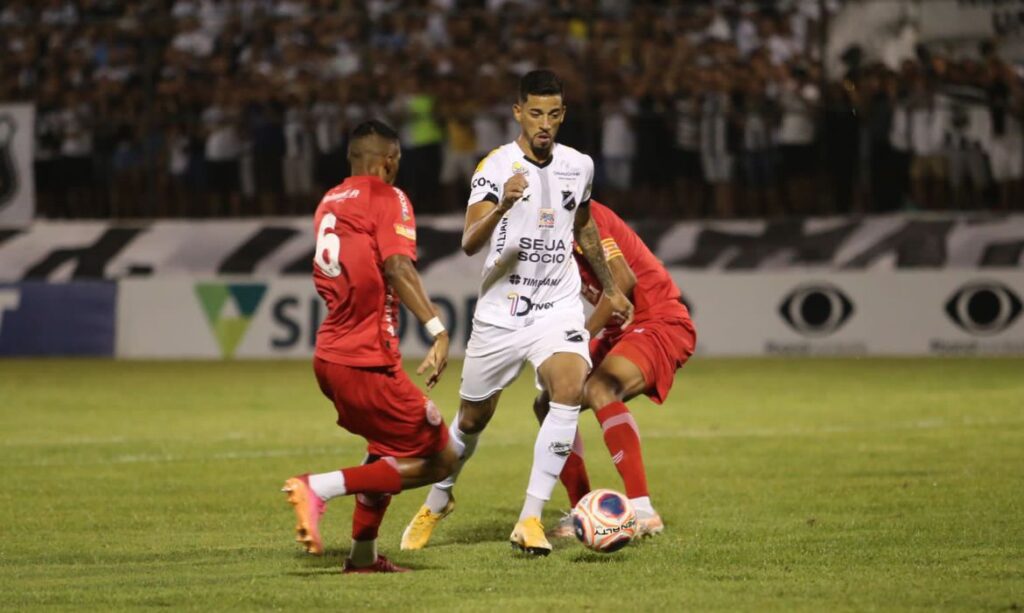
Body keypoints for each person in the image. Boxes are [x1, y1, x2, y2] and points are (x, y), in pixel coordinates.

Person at [400, 69, 634, 556]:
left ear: (562, 115)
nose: (544, 123)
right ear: (518, 113)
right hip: (502, 313)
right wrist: (502, 205)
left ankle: (530, 518)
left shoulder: (580, 165)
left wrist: (609, 288)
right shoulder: (494, 167)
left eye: (553, 114)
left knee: (568, 388)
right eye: (535, 113)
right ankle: (439, 499)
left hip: (557, 305)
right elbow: (468, 243)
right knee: (471, 420)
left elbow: (585, 226)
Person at [281, 120, 458, 574]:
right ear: (390, 160)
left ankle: (362, 556)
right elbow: (398, 266)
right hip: (367, 361)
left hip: (331, 356)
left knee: (386, 450)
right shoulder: (388, 197)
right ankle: (317, 487)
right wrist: (438, 329)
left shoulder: (329, 202)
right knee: (440, 458)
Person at [534, 200, 696, 538]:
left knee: (600, 388)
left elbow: (623, 279)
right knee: (549, 401)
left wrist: (582, 336)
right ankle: (582, 510)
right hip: (618, 328)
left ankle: (642, 509)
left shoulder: (582, 216)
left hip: (657, 320)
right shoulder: (546, 233)